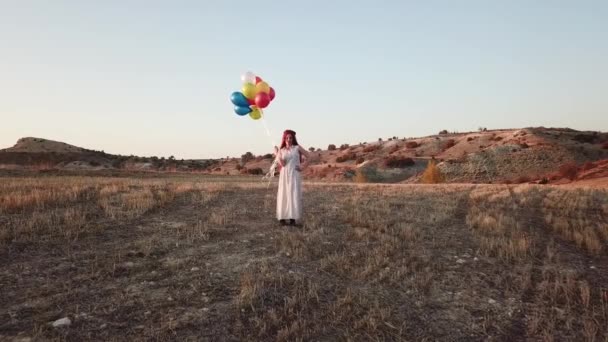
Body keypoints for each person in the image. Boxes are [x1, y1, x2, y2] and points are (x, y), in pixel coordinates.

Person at [274, 129, 310, 226]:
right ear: (284, 139)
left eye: (290, 138)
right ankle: (282, 217)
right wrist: (276, 153)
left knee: (293, 194)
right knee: (284, 194)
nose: (289, 139)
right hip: (284, 175)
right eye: (287, 138)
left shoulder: (297, 148)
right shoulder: (281, 151)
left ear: (293, 139)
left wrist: (303, 167)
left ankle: (292, 218)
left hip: (294, 174)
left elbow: (309, 156)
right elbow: (283, 164)